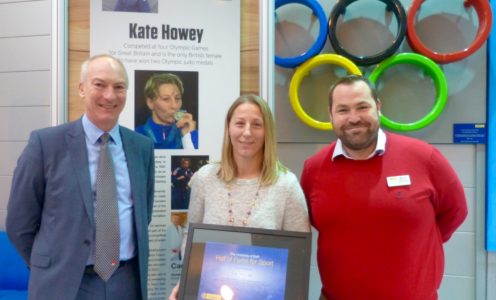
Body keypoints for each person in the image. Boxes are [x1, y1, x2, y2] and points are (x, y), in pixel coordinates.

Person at [300, 74, 468, 300]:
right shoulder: (314, 168)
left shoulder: (424, 158)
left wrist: (417, 242)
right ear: (331, 115)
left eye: (362, 107)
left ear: (377, 107)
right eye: (343, 110)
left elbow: (455, 211)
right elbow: (315, 222)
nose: (353, 118)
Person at [6, 54, 155, 300]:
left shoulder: (142, 147)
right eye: (100, 84)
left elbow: (143, 214)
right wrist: (50, 265)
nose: (110, 95)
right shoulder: (45, 144)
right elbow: (19, 223)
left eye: (119, 87)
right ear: (82, 88)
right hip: (64, 284)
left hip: (126, 282)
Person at [168, 94, 310, 299]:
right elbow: (191, 239)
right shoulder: (204, 179)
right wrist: (186, 283)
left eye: (257, 124)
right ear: (228, 128)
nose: (247, 132)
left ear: (267, 131)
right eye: (240, 123)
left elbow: (298, 257)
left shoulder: (286, 185)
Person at [135, 73, 198, 149]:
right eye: (166, 99)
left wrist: (189, 138)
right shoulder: (136, 134)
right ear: (150, 103)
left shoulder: (191, 132)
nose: (174, 106)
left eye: (177, 98)